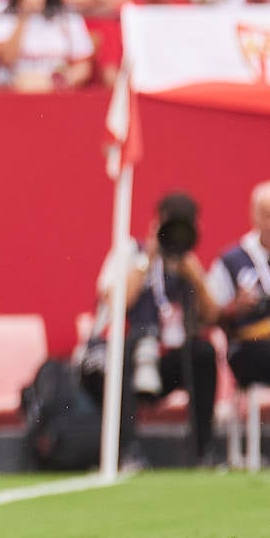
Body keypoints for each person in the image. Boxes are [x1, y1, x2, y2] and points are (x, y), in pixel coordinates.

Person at [83, 192, 219, 466]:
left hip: (162, 360)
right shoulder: (130, 252)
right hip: (116, 358)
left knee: (203, 353)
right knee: (124, 354)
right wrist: (148, 258)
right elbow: (116, 303)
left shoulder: (186, 266)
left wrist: (197, 279)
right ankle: (128, 450)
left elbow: (212, 317)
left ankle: (204, 451)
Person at [207, 181, 270, 402]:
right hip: (249, 347)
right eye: (267, 216)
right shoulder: (232, 259)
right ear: (254, 216)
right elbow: (208, 315)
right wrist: (236, 308)